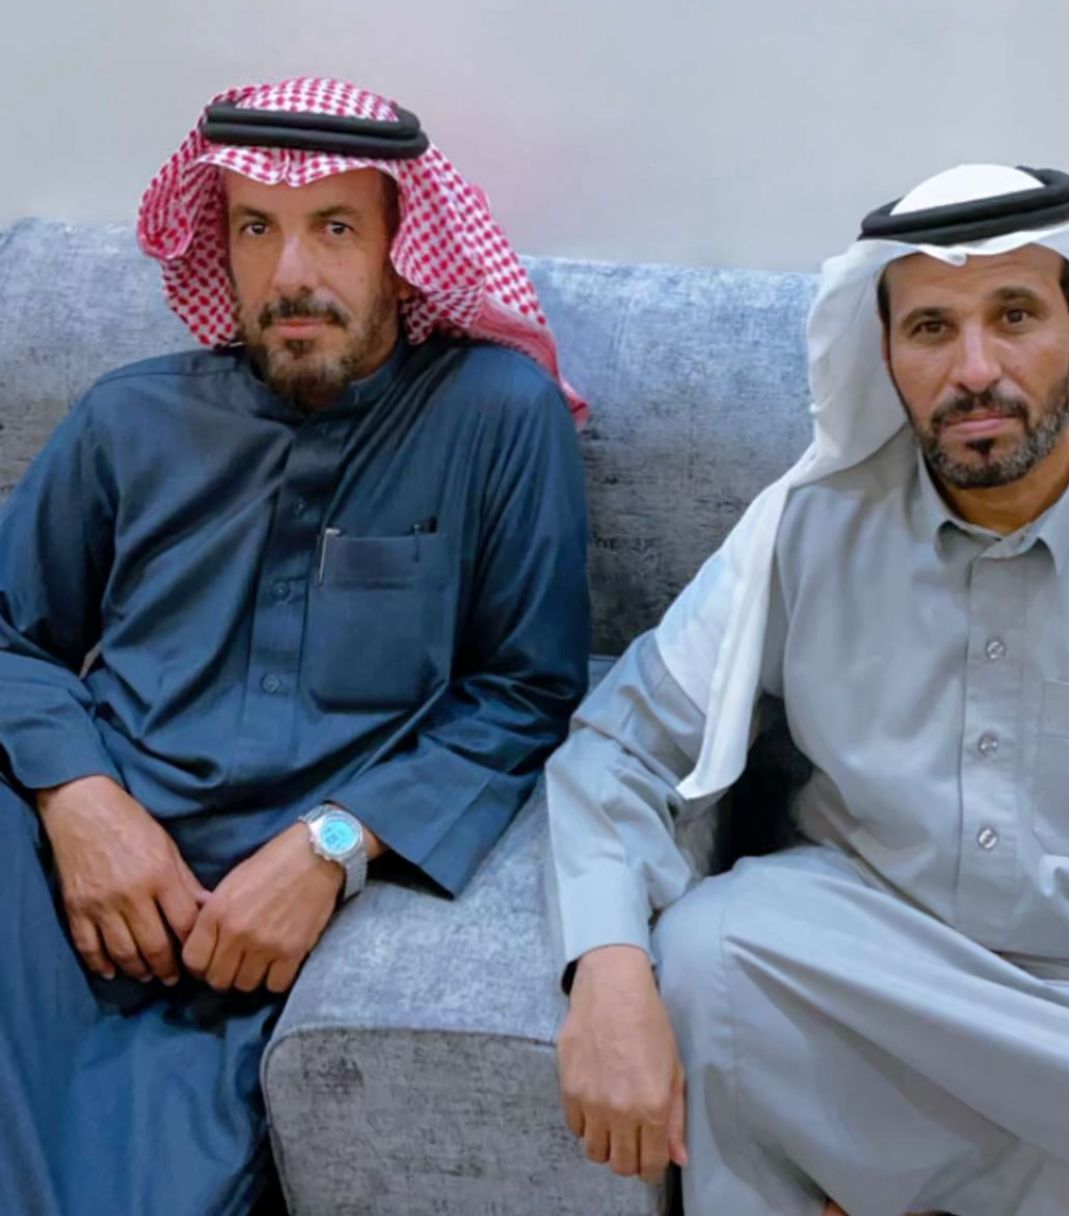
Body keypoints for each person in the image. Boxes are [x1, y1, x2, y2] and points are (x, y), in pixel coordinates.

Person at [546, 163, 1069, 1216]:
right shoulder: (807, 529)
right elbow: (623, 743)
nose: (975, 370)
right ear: (886, 352)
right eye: (932, 328)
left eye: (1015, 315)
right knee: (716, 956)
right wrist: (607, 962)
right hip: (892, 983)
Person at [0, 76, 589, 1216]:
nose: (290, 274)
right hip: (57, 860)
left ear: (403, 247)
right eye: (255, 230)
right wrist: (80, 801)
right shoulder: (127, 418)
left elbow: (527, 693)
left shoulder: (496, 416)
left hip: (250, 930)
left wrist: (331, 847)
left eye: (334, 229)